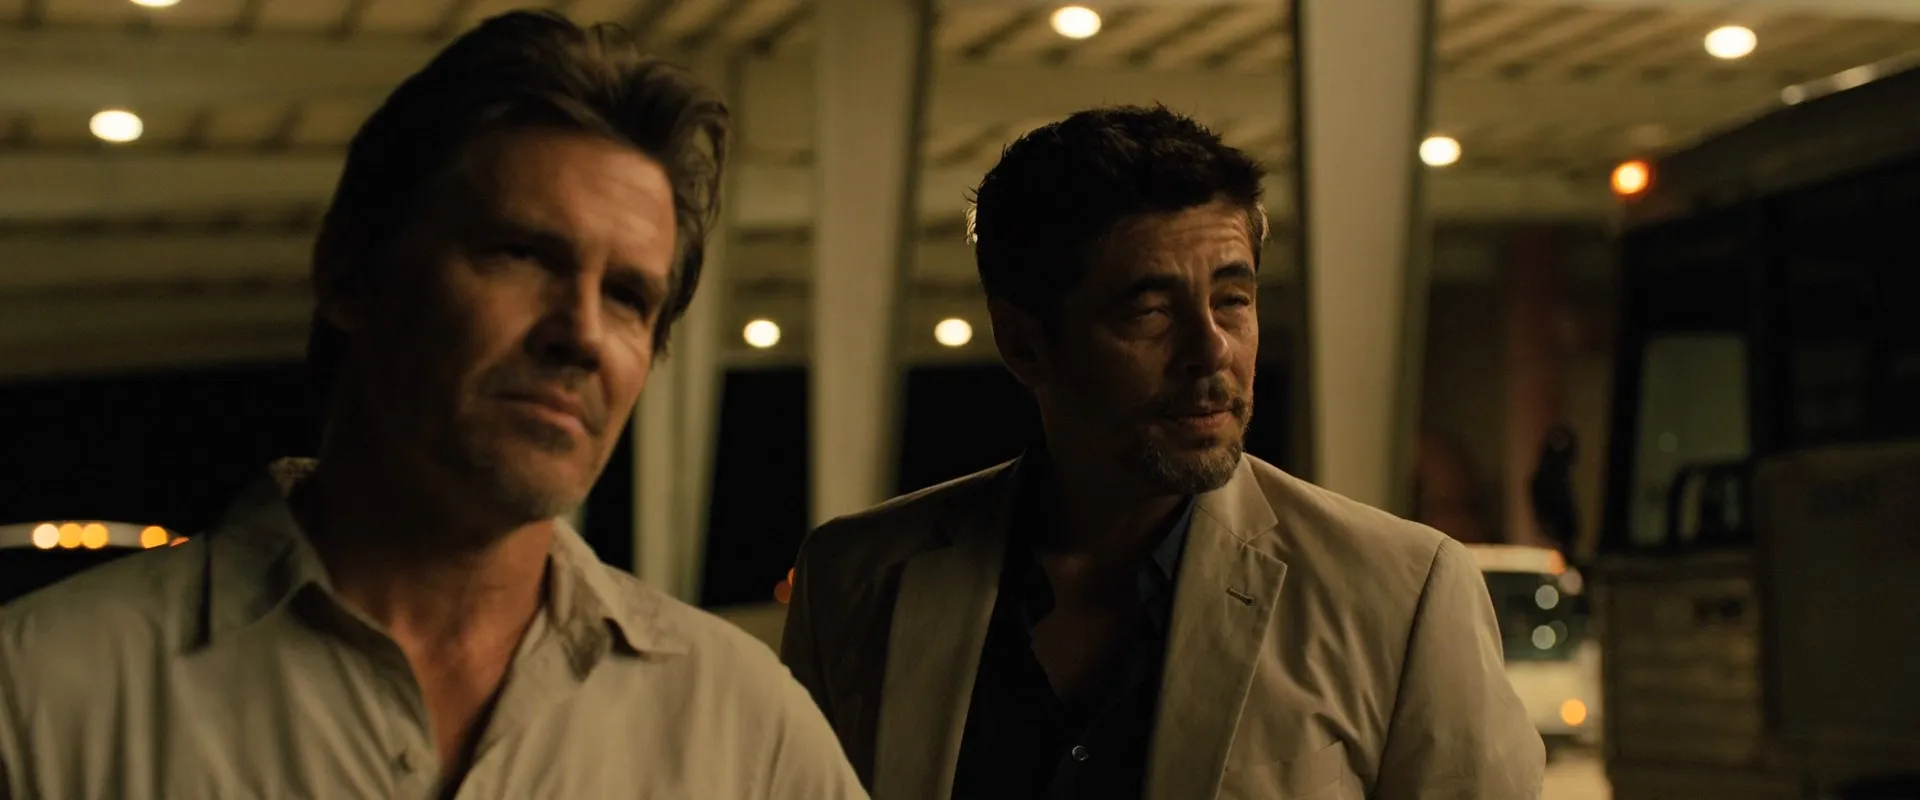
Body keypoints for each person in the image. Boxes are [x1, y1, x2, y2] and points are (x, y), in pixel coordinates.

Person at [0, 11, 864, 800]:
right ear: (348, 273)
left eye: (629, 298)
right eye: (520, 254)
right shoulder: (41, 699)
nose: (582, 335)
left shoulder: (743, 728)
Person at [780, 106, 1543, 800]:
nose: (1212, 352)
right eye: (1149, 311)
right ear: (1024, 342)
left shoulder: (1399, 594)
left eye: (1233, 300)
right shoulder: (856, 579)